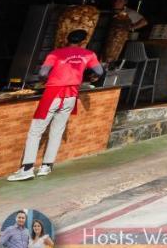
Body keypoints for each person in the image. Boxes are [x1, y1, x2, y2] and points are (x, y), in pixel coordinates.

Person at [9, 30, 104, 181]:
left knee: (36, 131)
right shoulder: (89, 54)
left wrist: (51, 75)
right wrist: (89, 75)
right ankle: (46, 166)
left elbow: (43, 73)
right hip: (71, 95)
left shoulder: (55, 54)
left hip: (52, 94)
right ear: (83, 41)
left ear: (67, 39)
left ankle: (27, 169)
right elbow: (99, 71)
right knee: (57, 130)